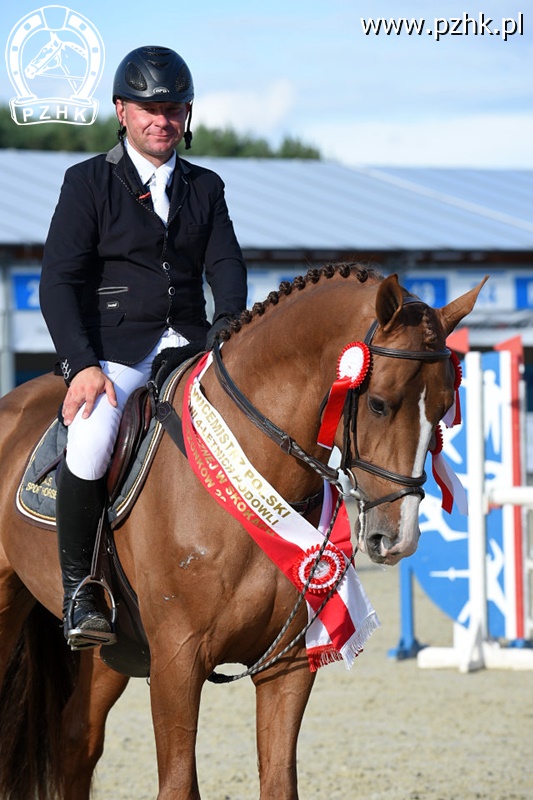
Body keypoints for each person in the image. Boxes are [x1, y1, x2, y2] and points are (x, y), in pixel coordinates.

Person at [39, 45, 248, 650]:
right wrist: (80, 366)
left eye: (174, 108)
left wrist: (228, 329)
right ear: (122, 112)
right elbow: (59, 281)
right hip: (115, 354)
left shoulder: (205, 186)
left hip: (190, 346)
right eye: (150, 108)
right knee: (93, 434)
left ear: (187, 115)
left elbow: (226, 264)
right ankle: (80, 589)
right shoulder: (88, 182)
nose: (163, 119)